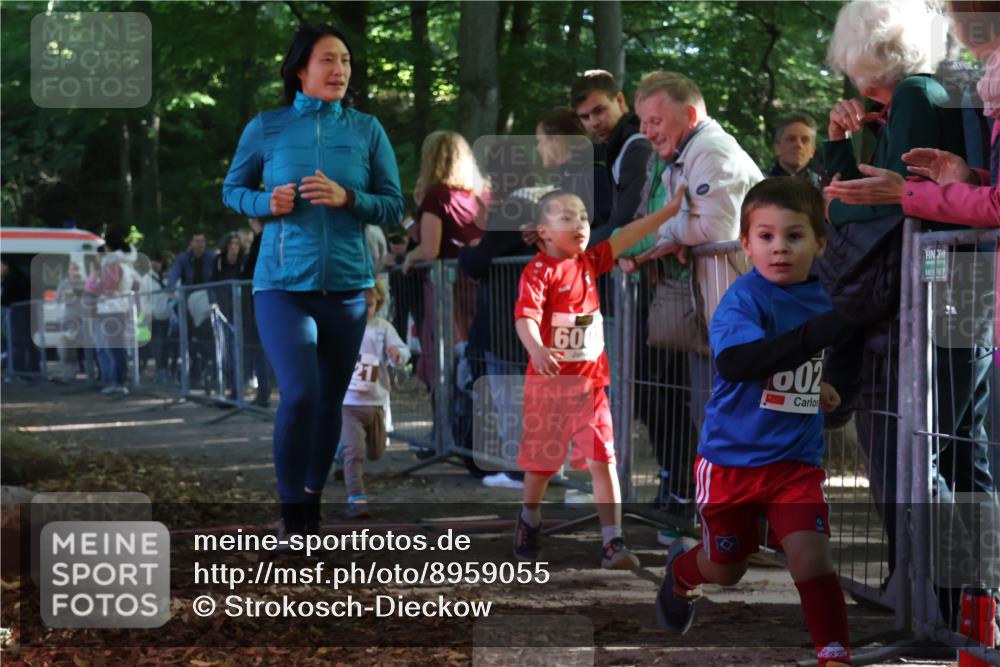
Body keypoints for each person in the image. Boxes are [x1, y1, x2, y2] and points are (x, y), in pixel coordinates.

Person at [655, 178, 853, 667]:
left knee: (811, 556)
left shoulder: (824, 299)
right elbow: (739, 363)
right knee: (726, 570)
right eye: (765, 237)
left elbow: (805, 360)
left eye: (794, 236)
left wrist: (819, 386)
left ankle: (833, 652)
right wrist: (814, 337)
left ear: (820, 243)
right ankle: (681, 572)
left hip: (795, 464)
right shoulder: (743, 300)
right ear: (745, 243)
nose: (779, 248)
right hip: (731, 462)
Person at [222, 24, 403, 537]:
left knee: (329, 402)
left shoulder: (367, 130)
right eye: (327, 60)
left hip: (346, 286)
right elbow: (232, 189)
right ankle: (289, 509)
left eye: (345, 60)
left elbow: (393, 204)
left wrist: (350, 198)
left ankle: (310, 499)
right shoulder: (268, 127)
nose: (339, 70)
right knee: (300, 394)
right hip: (281, 284)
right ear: (300, 69)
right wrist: (264, 202)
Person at [818, 0, 969, 591]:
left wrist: (842, 192)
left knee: (909, 452)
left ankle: (929, 588)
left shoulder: (912, 97)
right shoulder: (905, 103)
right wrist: (839, 146)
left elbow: (859, 210)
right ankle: (943, 591)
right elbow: (851, 197)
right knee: (943, 451)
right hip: (933, 298)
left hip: (920, 302)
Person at [511, 186, 686, 569]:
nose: (580, 224)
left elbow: (627, 235)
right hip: (549, 389)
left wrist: (670, 211)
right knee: (542, 464)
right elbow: (524, 316)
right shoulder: (538, 271)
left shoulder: (590, 262)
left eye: (584, 217)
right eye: (567, 217)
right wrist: (537, 348)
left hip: (591, 390)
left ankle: (613, 542)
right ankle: (529, 518)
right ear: (543, 230)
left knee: (603, 460)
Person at [629, 71, 763, 483]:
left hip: (738, 317)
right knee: (713, 416)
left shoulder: (710, 150)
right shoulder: (684, 154)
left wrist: (666, 234)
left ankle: (749, 528)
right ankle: (724, 522)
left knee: (735, 421)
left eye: (655, 121)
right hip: (716, 314)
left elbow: (714, 229)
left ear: (688, 115)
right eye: (643, 122)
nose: (646, 132)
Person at [403, 130, 488, 400]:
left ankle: (444, 431)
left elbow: (430, 249)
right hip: (477, 283)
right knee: (473, 351)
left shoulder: (437, 196)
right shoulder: (480, 196)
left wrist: (409, 257)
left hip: (445, 287)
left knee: (441, 357)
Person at [339, 280, 410, 518]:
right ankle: (356, 497)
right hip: (348, 402)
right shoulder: (343, 326)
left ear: (378, 304)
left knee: (376, 452)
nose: (365, 310)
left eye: (370, 305)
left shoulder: (382, 327)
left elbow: (402, 350)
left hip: (376, 401)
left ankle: (342, 448)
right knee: (355, 450)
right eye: (360, 305)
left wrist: (397, 355)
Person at [570, 70, 652, 244]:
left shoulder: (637, 146)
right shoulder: (619, 147)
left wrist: (571, 244)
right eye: (585, 117)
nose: (594, 122)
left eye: (599, 110)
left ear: (620, 100)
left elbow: (625, 223)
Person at [86, 226, 139, 396]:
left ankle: (119, 382)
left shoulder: (114, 264)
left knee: (115, 348)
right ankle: (118, 381)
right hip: (119, 308)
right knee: (117, 348)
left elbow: (107, 288)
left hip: (112, 309)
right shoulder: (125, 263)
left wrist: (95, 285)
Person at [167, 232, 217, 389]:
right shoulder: (183, 259)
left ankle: (209, 374)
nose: (200, 244)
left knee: (207, 340)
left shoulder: (212, 258)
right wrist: (171, 289)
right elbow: (173, 276)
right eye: (197, 241)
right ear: (191, 243)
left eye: (202, 241)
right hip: (188, 306)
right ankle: (194, 375)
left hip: (209, 305)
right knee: (189, 340)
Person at [211, 232, 247, 401]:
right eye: (231, 244)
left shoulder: (243, 263)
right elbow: (210, 284)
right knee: (225, 352)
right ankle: (226, 387)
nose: (234, 247)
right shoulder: (217, 262)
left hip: (241, 312)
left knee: (238, 350)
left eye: (237, 244)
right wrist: (214, 302)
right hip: (222, 312)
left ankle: (238, 389)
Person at [1, 256, 40, 376]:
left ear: (6, 265)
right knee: (27, 344)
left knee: (19, 344)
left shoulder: (13, 279)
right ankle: (31, 369)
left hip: (20, 317)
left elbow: (6, 299)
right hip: (26, 316)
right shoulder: (21, 276)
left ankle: (21, 370)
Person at [139, 252, 175, 383]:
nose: (155, 264)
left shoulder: (168, 278)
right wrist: (148, 314)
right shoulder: (146, 279)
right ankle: (160, 370)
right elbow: (142, 299)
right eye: (153, 261)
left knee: (166, 345)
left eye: (158, 261)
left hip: (166, 316)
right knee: (157, 345)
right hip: (153, 317)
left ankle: (164, 370)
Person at [767, 112, 823, 189]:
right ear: (777, 148)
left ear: (812, 151)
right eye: (791, 139)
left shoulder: (823, 188)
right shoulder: (760, 183)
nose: (798, 145)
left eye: (805, 140)